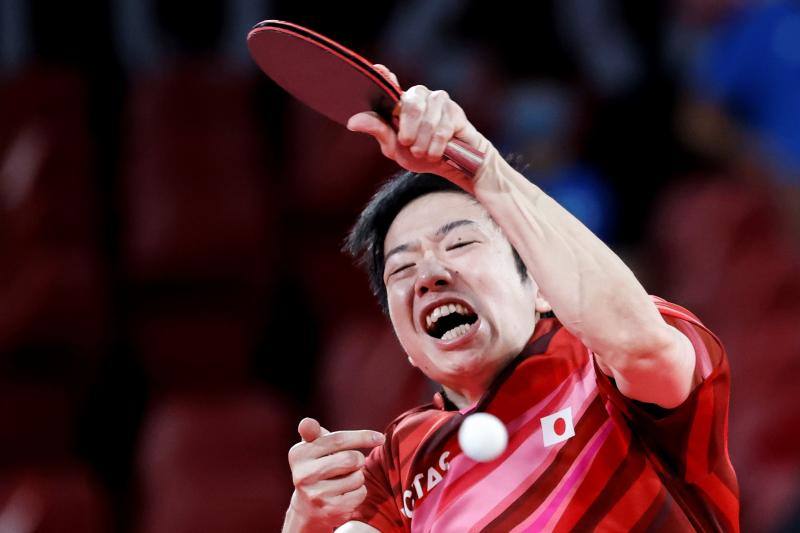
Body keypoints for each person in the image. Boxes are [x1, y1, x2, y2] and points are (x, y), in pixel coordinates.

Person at [281, 66, 739, 532]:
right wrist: (306, 518)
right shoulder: (400, 461)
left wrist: (484, 167)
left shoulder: (601, 364)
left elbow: (639, 346)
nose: (430, 275)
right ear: (404, 342)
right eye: (402, 268)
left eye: (458, 243)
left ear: (539, 285)